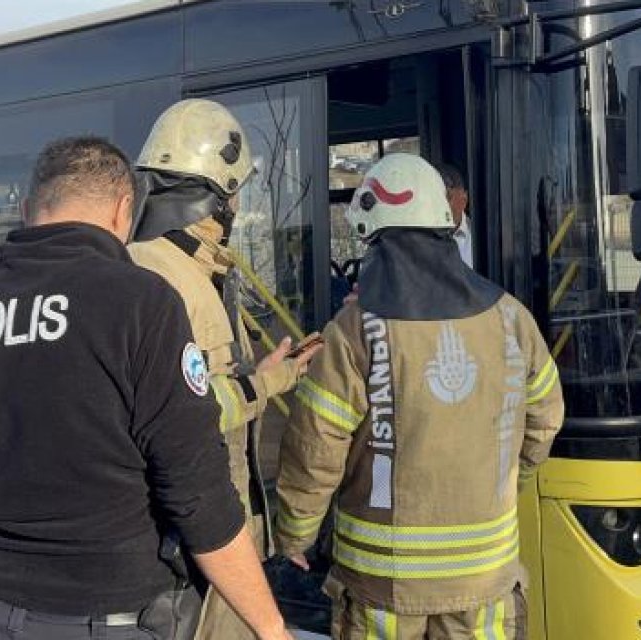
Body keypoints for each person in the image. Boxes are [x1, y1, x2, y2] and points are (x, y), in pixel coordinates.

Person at [0, 136, 293, 640]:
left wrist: (4, 469)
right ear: (123, 211)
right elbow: (198, 495)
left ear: (27, 210)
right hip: (107, 621)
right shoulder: (142, 304)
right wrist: (272, 627)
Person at [275, 154, 565, 639]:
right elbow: (545, 419)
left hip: (383, 590)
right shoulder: (512, 318)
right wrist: (501, 483)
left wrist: (294, 537)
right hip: (485, 584)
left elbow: (316, 448)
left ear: (375, 238)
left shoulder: (355, 330)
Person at [127, 99, 321, 640]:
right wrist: (265, 384)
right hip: (192, 556)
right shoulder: (165, 278)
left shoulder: (186, 267)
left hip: (206, 544)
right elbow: (183, 419)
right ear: (219, 194)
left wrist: (269, 375)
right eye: (236, 191)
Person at [435, 162, 473, 268]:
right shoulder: (421, 241)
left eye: (447, 197)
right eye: (435, 199)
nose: (440, 206)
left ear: (464, 199)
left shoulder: (481, 237)